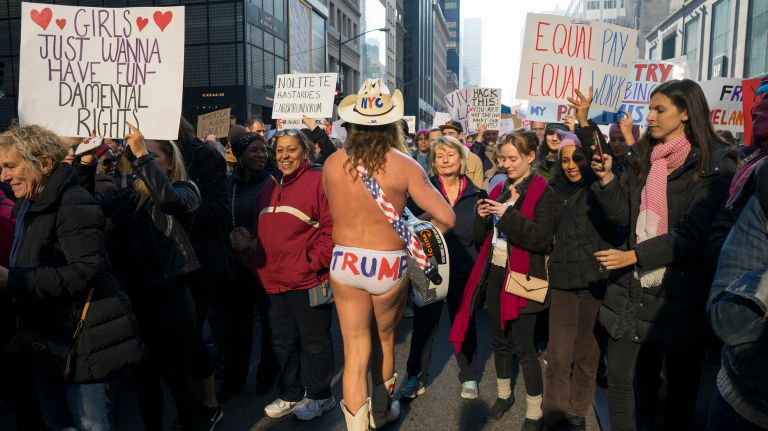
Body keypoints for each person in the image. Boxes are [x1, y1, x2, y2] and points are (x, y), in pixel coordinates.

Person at [589, 80, 738, 431]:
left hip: (680, 293)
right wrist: (609, 179)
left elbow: (693, 235)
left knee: (681, 392)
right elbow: (624, 218)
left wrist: (633, 256)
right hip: (634, 291)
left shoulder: (717, 164)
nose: (650, 117)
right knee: (625, 380)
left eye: (660, 110)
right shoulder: (644, 156)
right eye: (650, 109)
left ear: (685, 112)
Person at [324, 79, 455, 430]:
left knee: (354, 351)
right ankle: (381, 413)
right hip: (386, 263)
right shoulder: (405, 165)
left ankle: (355, 426)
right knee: (383, 341)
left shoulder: (332, 163)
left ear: (352, 124)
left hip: (344, 261)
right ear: (392, 123)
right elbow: (448, 217)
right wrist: (416, 231)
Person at [0, 125, 141, 430]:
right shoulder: (28, 204)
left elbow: (83, 273)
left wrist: (12, 280)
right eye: (1, 168)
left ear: (45, 163)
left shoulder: (73, 202)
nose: (3, 177)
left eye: (10, 166)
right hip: (44, 341)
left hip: (83, 348)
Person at [76, 124, 209, 430]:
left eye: (149, 155)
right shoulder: (125, 194)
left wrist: (139, 153)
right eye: (137, 154)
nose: (139, 160)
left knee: (178, 381)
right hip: (134, 300)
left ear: (169, 161)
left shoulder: (187, 190)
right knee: (145, 385)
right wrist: (85, 163)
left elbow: (168, 201)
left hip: (171, 300)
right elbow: (84, 207)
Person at [450, 132, 555, 430]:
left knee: (524, 347)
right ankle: (504, 395)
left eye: (512, 159)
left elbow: (540, 239)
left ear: (531, 156)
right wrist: (482, 216)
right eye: (502, 159)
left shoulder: (544, 192)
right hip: (495, 273)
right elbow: (480, 238)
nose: (506, 164)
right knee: (498, 340)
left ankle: (535, 411)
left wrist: (507, 214)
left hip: (524, 278)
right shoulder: (500, 188)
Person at [231, 128, 335, 421]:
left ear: (305, 152)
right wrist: (250, 246)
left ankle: (321, 396)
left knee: (314, 341)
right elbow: (261, 227)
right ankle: (292, 393)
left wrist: (312, 262)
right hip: (272, 281)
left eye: (291, 149)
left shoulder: (318, 181)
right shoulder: (269, 184)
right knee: (282, 342)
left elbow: (331, 228)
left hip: (308, 280)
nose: (284, 156)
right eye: (279, 150)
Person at [399, 136, 482, 401]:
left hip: (463, 269)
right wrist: (428, 218)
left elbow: (482, 236)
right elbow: (407, 224)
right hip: (429, 270)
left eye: (451, 155)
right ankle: (415, 377)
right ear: (433, 162)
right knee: (424, 327)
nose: (446, 160)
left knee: (464, 324)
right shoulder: (423, 190)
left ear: (461, 159)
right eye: (440, 156)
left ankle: (469, 376)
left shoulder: (477, 194)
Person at [706, 73, 768, 431]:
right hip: (745, 399)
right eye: (757, 105)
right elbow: (727, 319)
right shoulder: (757, 179)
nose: (756, 112)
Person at [543, 128, 615, 431]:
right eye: (565, 160)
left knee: (587, 355)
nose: (571, 165)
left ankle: (576, 411)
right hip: (562, 282)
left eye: (578, 158)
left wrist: (585, 124)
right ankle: (555, 416)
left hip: (594, 282)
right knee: (558, 356)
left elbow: (600, 150)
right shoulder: (552, 189)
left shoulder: (602, 188)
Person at [216, 130, 280, 401]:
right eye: (254, 150)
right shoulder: (228, 183)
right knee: (237, 326)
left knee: (270, 325)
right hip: (238, 266)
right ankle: (233, 380)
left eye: (263, 150)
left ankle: (267, 376)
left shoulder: (275, 182)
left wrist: (256, 241)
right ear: (239, 155)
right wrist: (231, 237)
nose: (261, 154)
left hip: (267, 263)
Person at [177, 118, 232, 425]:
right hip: (165, 263)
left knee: (193, 333)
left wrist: (179, 199)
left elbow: (220, 209)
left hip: (201, 260)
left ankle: (209, 402)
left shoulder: (203, 155)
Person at [439, 121, 485, 186]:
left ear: (460, 136)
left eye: (451, 133)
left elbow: (478, 189)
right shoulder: (437, 158)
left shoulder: (474, 159)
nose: (447, 137)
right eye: (444, 134)